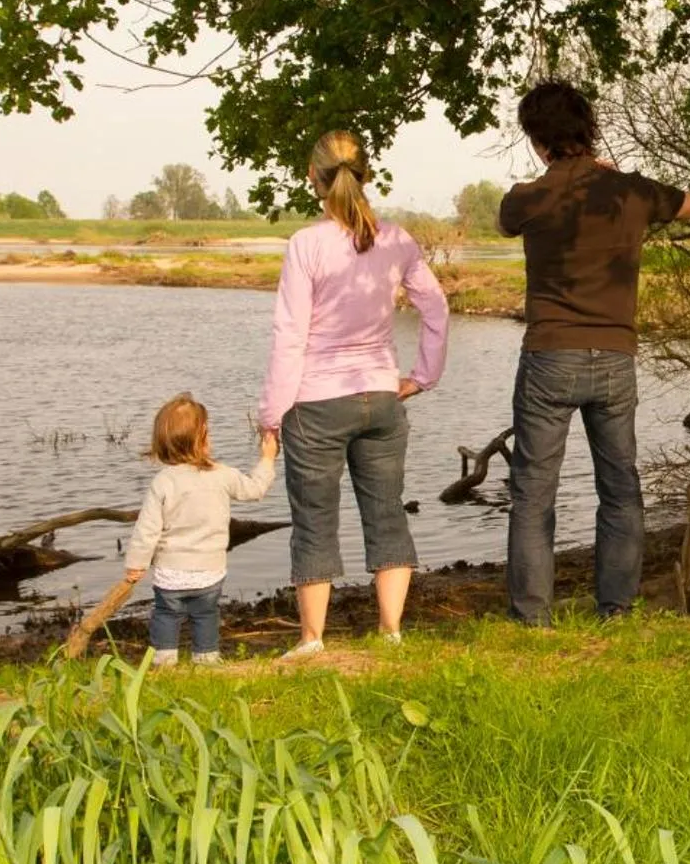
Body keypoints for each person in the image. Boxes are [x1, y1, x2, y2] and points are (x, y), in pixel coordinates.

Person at [498, 80, 690, 625]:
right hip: (615, 359)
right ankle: (616, 609)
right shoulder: (631, 192)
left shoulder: (525, 198)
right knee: (620, 488)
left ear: (538, 140)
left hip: (549, 358)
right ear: (588, 129)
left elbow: (506, 221)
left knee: (533, 493)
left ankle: (531, 619)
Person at [260, 130, 450, 658]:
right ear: (364, 174)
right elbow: (436, 308)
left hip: (317, 403)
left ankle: (313, 640)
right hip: (382, 397)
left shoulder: (306, 245)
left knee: (315, 520)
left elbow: (290, 334)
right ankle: (390, 632)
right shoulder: (397, 240)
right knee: (386, 512)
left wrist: (271, 413)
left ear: (311, 180)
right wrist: (422, 375)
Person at [125, 394, 277, 667]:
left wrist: (136, 564)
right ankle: (206, 657)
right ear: (202, 438)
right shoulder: (222, 474)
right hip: (210, 570)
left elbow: (147, 530)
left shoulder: (163, 481)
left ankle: (164, 659)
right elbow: (255, 489)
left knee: (165, 614)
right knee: (205, 614)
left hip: (171, 572)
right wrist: (267, 459)